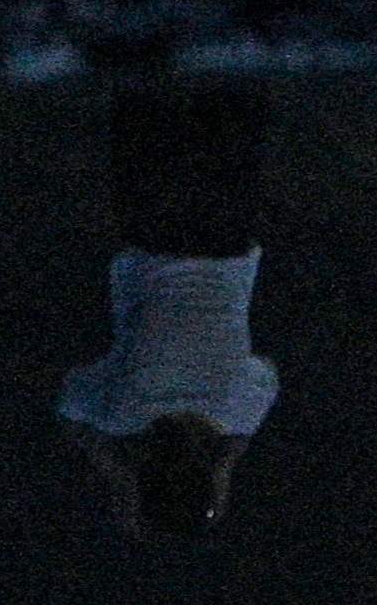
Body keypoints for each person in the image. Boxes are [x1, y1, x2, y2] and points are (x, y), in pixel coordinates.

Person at [64, 86, 277, 535]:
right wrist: (117, 474)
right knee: (146, 98)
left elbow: (269, 372)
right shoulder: (118, 412)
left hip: (226, 238)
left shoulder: (241, 409)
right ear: (143, 477)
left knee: (228, 95)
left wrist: (226, 465)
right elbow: (69, 405)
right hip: (154, 234)